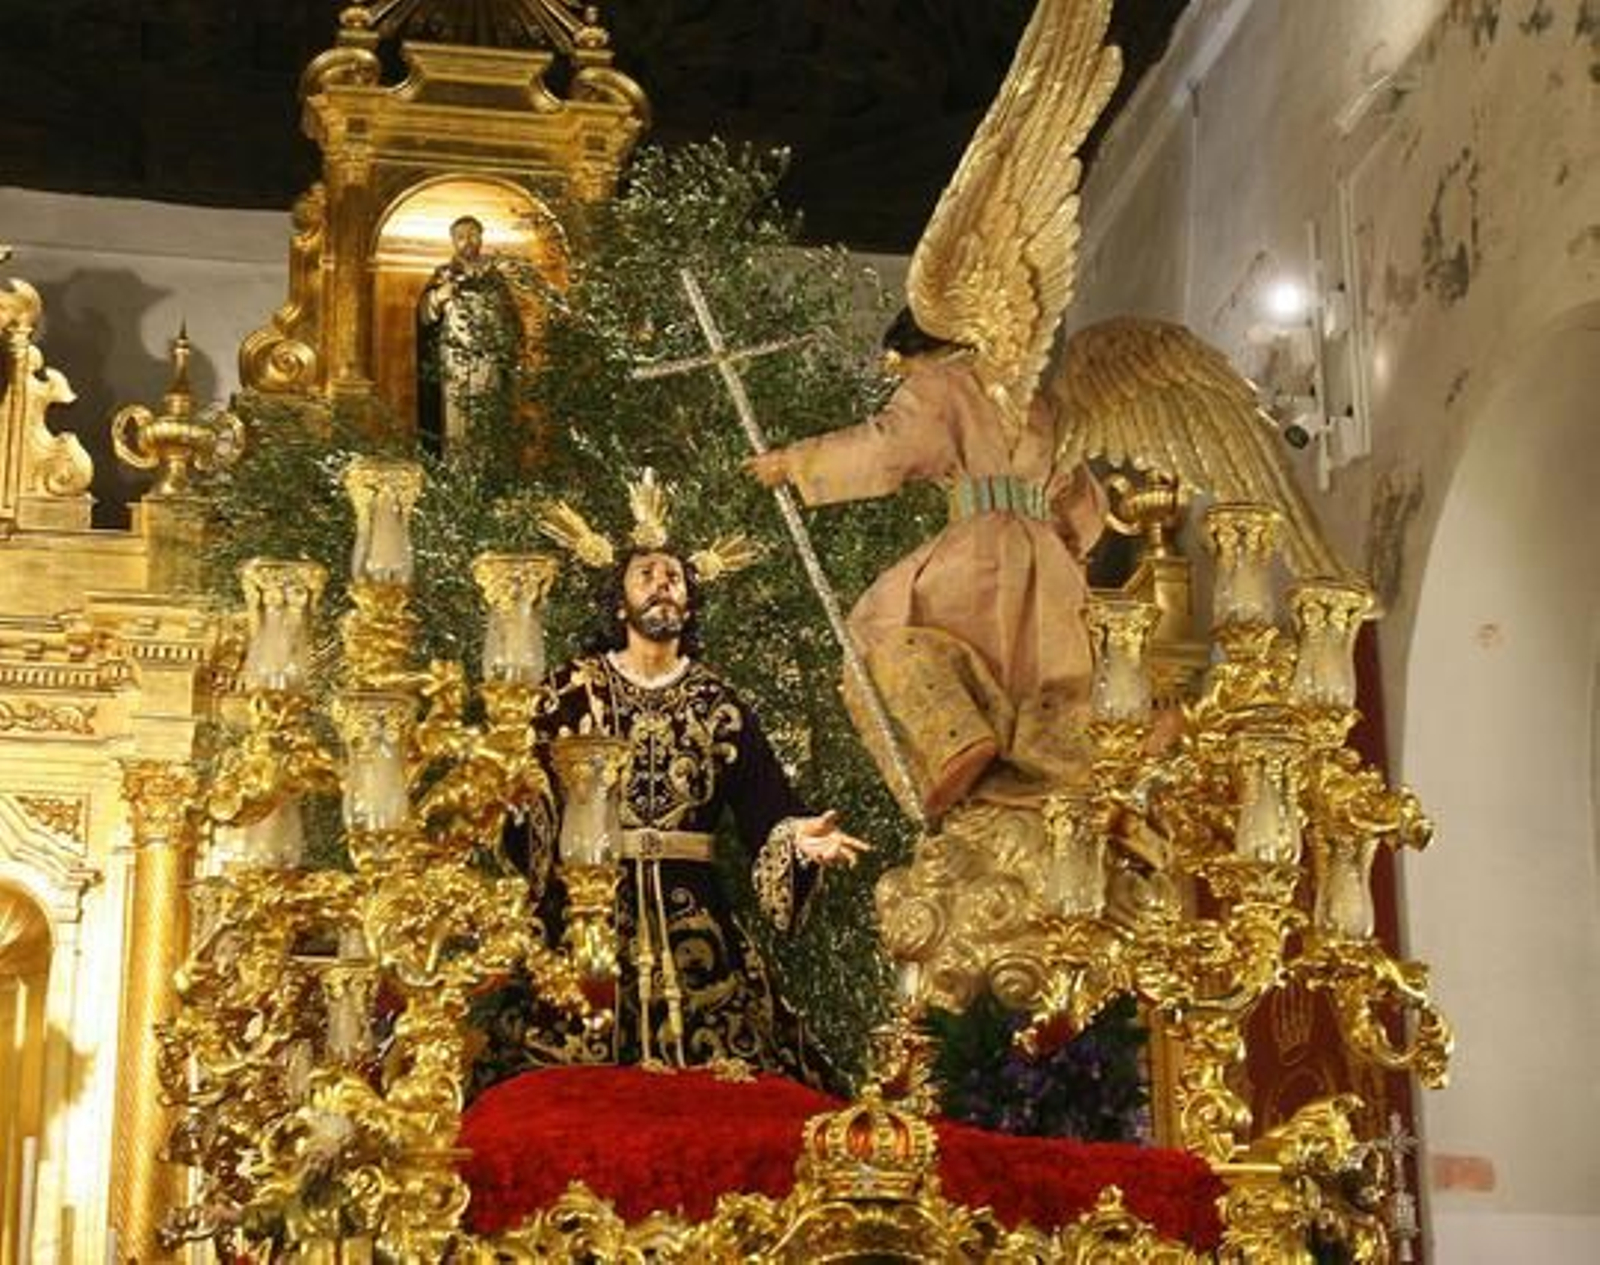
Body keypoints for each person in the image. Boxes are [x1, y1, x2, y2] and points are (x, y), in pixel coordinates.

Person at [517, 545, 868, 1078]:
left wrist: (798, 839)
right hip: (589, 913)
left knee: (734, 1079)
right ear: (619, 603)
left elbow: (765, 801)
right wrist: (518, 808)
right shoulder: (570, 691)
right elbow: (526, 788)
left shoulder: (716, 702)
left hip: (695, 918)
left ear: (689, 601)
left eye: (674, 577)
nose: (662, 584)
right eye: (646, 575)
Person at [746, 309, 1107, 824]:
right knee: (1042, 682)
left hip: (980, 550)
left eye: (905, 372)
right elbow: (1087, 508)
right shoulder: (1044, 405)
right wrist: (1056, 554)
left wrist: (797, 463)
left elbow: (891, 445)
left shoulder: (947, 382)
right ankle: (1026, 775)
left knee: (877, 634)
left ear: (922, 352)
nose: (908, 383)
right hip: (1053, 566)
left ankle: (956, 742)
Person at [416, 214, 522, 456]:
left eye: (473, 235)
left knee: (488, 410)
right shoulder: (444, 274)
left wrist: (506, 345)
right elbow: (423, 316)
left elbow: (510, 318)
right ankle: (458, 472)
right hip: (455, 356)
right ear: (453, 241)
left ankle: (487, 474)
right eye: (461, 237)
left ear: (481, 239)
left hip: (488, 356)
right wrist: (439, 296)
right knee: (456, 413)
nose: (468, 241)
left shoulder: (495, 277)